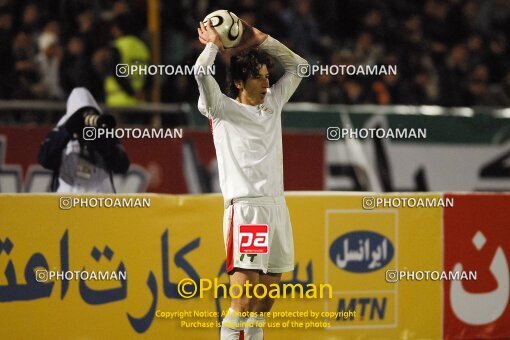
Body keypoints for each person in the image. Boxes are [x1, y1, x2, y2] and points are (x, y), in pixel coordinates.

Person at [195, 19, 308, 340]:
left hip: (277, 210)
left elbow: (299, 68)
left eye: (268, 77)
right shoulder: (221, 110)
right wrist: (213, 47)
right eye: (259, 79)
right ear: (240, 84)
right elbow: (201, 74)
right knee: (243, 300)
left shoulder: (272, 104)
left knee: (265, 301)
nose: (267, 84)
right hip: (248, 214)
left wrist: (262, 39)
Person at [38, 87, 129, 193]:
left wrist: (100, 141)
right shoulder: (61, 131)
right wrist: (68, 131)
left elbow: (122, 166)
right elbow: (45, 160)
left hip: (100, 197)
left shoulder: (103, 131)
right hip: (68, 197)